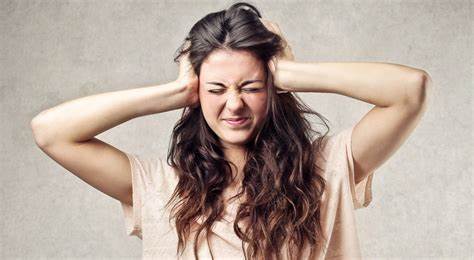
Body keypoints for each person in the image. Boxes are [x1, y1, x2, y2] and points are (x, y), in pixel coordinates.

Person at [30, 2, 432, 260]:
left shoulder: (324, 169)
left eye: (251, 87)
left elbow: (409, 91)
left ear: (273, 90)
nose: (234, 104)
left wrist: (289, 72)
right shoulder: (162, 188)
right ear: (197, 93)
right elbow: (50, 132)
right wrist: (175, 91)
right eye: (217, 89)